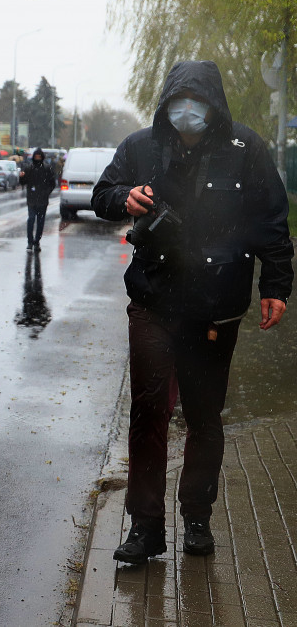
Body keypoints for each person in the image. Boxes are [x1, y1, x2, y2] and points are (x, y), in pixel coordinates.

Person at [91, 60, 293, 564]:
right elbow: (102, 195)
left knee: (204, 418)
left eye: (197, 103)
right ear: (165, 104)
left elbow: (272, 219)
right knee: (148, 412)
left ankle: (197, 518)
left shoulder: (245, 149)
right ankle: (145, 527)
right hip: (154, 302)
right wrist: (126, 198)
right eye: (179, 102)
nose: (187, 112)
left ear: (214, 107)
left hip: (215, 308)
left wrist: (276, 285)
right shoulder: (140, 146)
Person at [20, 147, 56, 251]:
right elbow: (23, 182)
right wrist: (22, 177)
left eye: (39, 157)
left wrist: (46, 193)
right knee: (31, 219)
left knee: (40, 222)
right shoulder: (29, 168)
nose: (37, 158)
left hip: (42, 201)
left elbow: (52, 184)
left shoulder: (47, 169)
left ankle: (37, 241)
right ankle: (30, 242)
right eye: (36, 157)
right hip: (31, 200)